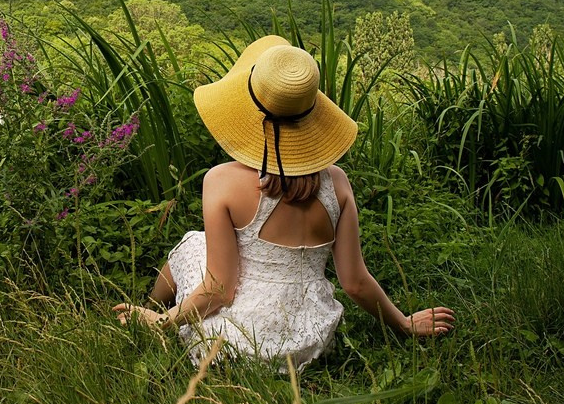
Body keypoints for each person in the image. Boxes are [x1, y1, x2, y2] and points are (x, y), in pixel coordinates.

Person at [114, 36, 454, 367]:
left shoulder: (221, 181)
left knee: (193, 243)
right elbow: (354, 281)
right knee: (204, 247)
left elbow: (220, 290)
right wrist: (404, 323)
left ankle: (149, 314)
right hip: (311, 339)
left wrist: (162, 322)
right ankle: (149, 313)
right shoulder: (337, 183)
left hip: (235, 342)